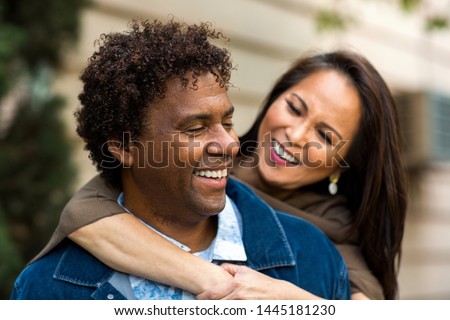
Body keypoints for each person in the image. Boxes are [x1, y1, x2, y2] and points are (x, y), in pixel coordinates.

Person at [11, 19, 350, 300]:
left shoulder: (311, 257)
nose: (229, 144)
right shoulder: (47, 288)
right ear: (124, 147)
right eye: (196, 128)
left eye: (228, 122)